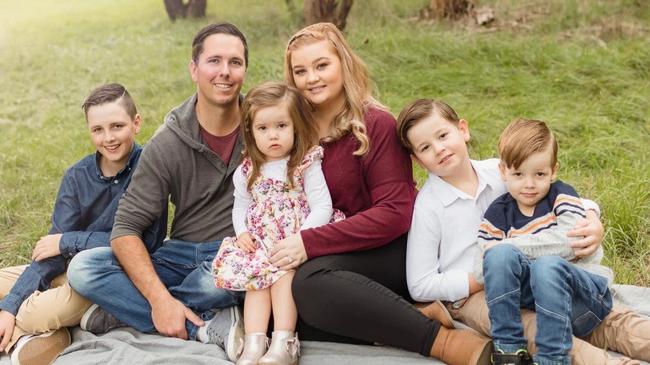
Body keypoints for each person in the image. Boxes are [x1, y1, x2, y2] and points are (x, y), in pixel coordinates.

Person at [269, 22, 493, 365]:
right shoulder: (291, 131)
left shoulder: (376, 124)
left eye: (321, 66)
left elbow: (395, 213)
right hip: (329, 254)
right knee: (282, 309)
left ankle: (443, 342)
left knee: (310, 284)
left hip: (389, 249)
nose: (311, 78)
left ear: (343, 63)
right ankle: (409, 315)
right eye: (300, 71)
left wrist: (309, 243)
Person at [396, 99, 650, 364]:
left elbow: (554, 194)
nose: (439, 149)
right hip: (473, 295)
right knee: (539, 329)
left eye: (443, 135)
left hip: (533, 273)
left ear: (463, 129)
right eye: (426, 147)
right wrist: (481, 279)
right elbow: (419, 284)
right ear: (417, 160)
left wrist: (591, 216)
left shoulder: (501, 171)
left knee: (607, 319)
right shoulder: (429, 206)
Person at [67, 22, 249, 362]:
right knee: (83, 269)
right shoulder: (168, 141)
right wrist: (159, 300)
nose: (225, 72)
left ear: (244, 70)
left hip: (233, 256)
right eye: (214, 61)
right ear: (194, 69)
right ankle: (200, 326)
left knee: (222, 283)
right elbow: (124, 232)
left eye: (235, 62)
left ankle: (124, 309)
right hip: (179, 256)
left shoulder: (263, 124)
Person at [0, 83, 166, 365]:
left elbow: (144, 243)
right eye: (98, 130)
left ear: (136, 123)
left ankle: (30, 330)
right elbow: (50, 251)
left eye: (117, 126)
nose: (108, 138)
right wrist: (8, 307)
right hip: (65, 269)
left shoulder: (149, 170)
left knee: (31, 313)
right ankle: (41, 336)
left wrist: (68, 242)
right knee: (13, 295)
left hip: (108, 276)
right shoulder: (77, 176)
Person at [476, 118, 645, 365]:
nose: (530, 184)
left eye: (540, 174)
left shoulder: (561, 195)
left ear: (554, 170)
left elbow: (570, 241)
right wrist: (502, 252)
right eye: (518, 174)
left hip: (584, 300)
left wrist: (511, 245)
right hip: (539, 307)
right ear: (503, 171)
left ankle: (552, 359)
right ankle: (509, 350)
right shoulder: (497, 213)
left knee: (546, 265)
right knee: (500, 258)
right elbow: (485, 268)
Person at [213, 81, 343, 365]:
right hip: (262, 241)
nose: (273, 135)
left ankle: (285, 341)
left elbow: (323, 205)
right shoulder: (248, 169)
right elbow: (241, 206)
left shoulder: (305, 162)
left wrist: (303, 238)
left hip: (295, 238)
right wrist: (243, 232)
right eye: (263, 128)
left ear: (296, 126)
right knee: (256, 283)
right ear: (251, 131)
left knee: (283, 277)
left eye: (281, 126)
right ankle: (254, 342)